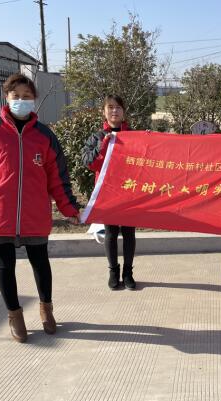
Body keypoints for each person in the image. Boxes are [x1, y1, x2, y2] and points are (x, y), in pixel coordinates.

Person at [0, 73, 80, 343]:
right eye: (16, 96)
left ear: (34, 100)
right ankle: (14, 315)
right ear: (6, 98)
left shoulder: (44, 135)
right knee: (4, 265)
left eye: (27, 96)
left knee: (40, 262)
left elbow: (58, 177)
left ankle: (46, 309)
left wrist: (69, 208)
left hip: (34, 213)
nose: (21, 100)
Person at [82, 95, 137, 291]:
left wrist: (149, 139)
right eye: (110, 107)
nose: (114, 111)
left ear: (124, 112)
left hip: (129, 191)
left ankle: (128, 273)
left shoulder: (134, 135)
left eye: (118, 107)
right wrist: (102, 145)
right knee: (111, 233)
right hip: (107, 192)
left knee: (129, 233)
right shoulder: (97, 136)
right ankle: (113, 271)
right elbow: (90, 163)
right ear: (104, 111)